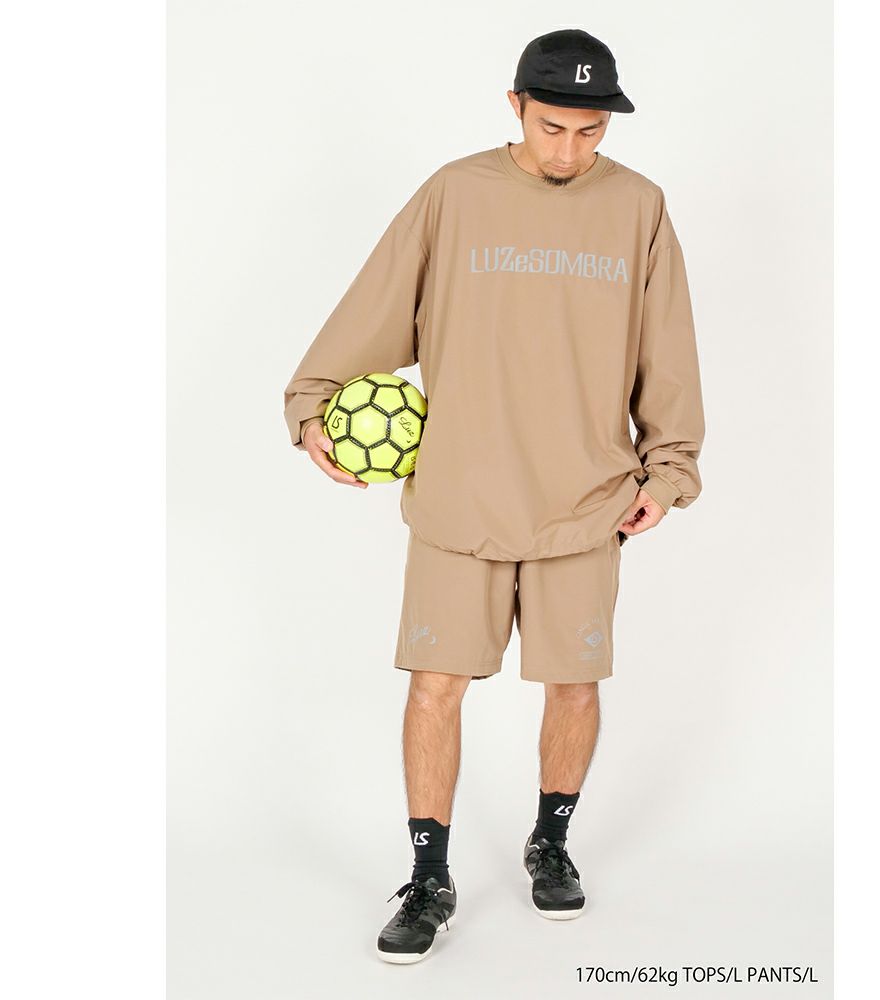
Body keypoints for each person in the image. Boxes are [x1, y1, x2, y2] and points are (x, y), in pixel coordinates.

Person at [282, 27, 706, 964]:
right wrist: (311, 407)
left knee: (575, 684)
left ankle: (550, 842)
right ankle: (429, 876)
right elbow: (372, 309)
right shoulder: (454, 194)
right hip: (460, 499)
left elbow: (667, 349)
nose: (570, 150)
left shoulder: (638, 207)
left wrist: (669, 469)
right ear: (515, 105)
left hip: (585, 500)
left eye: (590, 132)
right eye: (553, 127)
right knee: (434, 686)